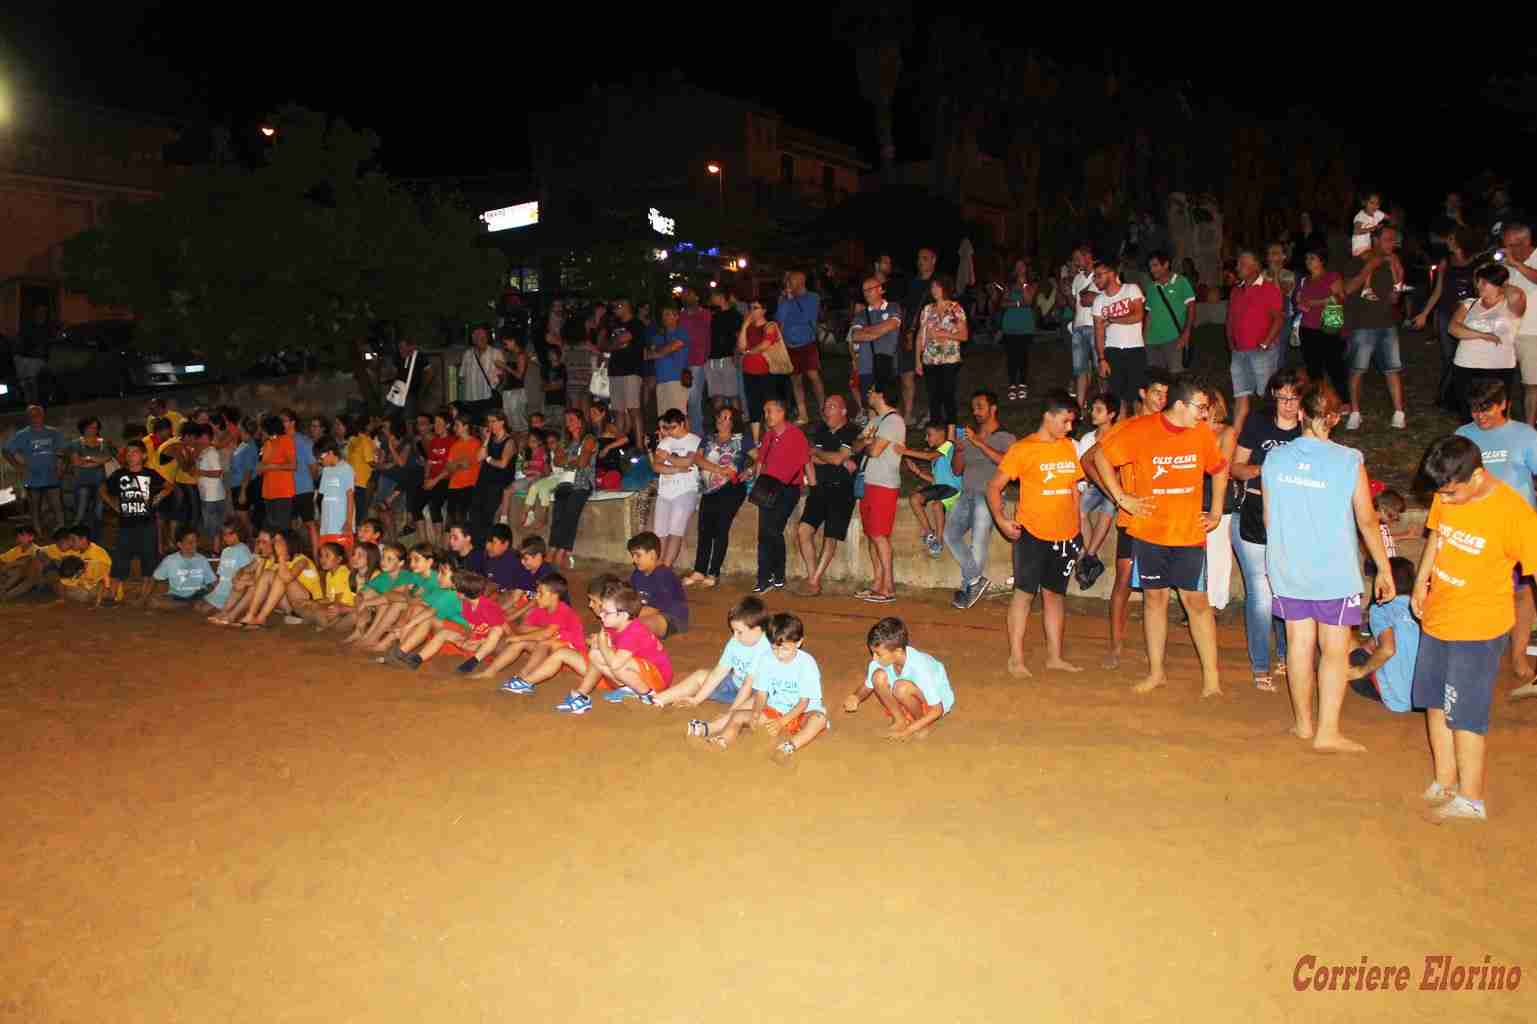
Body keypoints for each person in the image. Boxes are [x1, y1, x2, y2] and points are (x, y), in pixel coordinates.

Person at [1262, 383, 1394, 753]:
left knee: (1298, 644)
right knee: (1334, 650)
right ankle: (1327, 731)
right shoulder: (1349, 459)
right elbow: (1367, 520)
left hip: (1289, 566)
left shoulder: (1275, 459)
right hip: (1334, 569)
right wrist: (1383, 568)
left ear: (1301, 413)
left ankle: (1304, 724)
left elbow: (1271, 518)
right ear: (1334, 418)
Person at [1411, 435, 1537, 822]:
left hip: (1479, 626)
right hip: (1438, 615)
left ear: (1478, 476)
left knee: (1464, 714)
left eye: (1450, 493)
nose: (1443, 500)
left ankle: (1471, 798)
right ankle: (1446, 780)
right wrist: (1421, 579)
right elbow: (1437, 534)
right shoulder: (1448, 489)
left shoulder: (1514, 513)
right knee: (1434, 701)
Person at [1089, 374, 1230, 697]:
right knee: (1155, 600)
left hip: (1188, 533)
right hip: (1150, 532)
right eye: (1201, 407)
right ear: (1180, 405)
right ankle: (1156, 673)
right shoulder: (1141, 430)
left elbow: (1220, 469)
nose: (1206, 414)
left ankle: (1212, 680)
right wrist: (1121, 498)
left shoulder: (1200, 434)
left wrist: (1217, 511)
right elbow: (1099, 457)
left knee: (1197, 603)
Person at [987, 389, 1086, 677]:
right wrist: (1002, 519)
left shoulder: (1069, 447)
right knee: (1024, 594)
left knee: (1055, 595)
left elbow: (1073, 489)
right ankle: (1015, 659)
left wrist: (1078, 530)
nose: (1070, 428)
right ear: (1048, 416)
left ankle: (1055, 657)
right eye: (1066, 421)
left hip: (1065, 535)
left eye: (1072, 423)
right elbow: (993, 486)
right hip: (1032, 533)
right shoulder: (1023, 449)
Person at [1081, 369, 1172, 665]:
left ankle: (1156, 648)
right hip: (1134, 517)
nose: (1163, 398)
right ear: (1143, 393)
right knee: (1123, 578)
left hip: (1165, 515)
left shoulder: (1172, 427)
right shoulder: (1127, 426)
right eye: (1157, 392)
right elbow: (1088, 459)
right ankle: (1116, 646)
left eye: (1166, 394)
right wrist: (1116, 495)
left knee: (1161, 585)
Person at [1455, 379, 1537, 691]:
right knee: (1479, 595)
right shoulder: (1463, 436)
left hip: (1518, 529)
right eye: (1475, 409)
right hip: (1476, 531)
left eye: (1487, 408)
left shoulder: (1524, 436)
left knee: (1523, 593)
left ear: (1503, 404)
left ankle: (1517, 655)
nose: (1480, 416)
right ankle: (1478, 658)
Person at [1229, 368, 1304, 691]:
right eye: (1281, 397)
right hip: (1254, 511)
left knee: (1287, 589)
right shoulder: (1258, 422)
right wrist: (1265, 468)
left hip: (1294, 515)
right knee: (1260, 593)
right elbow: (1235, 466)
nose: (1287, 404)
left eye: (1293, 398)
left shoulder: (1308, 428)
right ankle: (1261, 663)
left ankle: (1287, 653)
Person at [685, 612, 825, 760]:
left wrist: (782, 722)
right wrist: (756, 713)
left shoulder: (807, 664)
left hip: (802, 713)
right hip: (775, 711)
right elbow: (761, 694)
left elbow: (804, 703)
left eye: (784, 649)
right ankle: (721, 741)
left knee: (819, 719)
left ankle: (788, 747)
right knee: (738, 715)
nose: (779, 654)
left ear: (798, 643)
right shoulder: (766, 659)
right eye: (774, 648)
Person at [552, 582, 673, 714]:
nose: (601, 615)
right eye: (602, 609)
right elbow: (598, 654)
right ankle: (582, 695)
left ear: (624, 615)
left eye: (607, 612)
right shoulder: (613, 625)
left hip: (659, 679)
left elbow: (615, 664)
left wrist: (602, 643)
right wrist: (599, 644)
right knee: (596, 654)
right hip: (639, 672)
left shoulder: (634, 631)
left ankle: (647, 695)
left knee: (611, 658)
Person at [945, 390, 1016, 609]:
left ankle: (969, 587)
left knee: (978, 542)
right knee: (950, 534)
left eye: (980, 407)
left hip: (989, 496)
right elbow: (957, 471)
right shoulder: (969, 438)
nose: (975, 412)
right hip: (966, 494)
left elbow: (1009, 464)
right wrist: (958, 450)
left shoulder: (1006, 437)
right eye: (973, 407)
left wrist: (979, 443)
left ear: (993, 409)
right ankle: (975, 579)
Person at [843, 616, 956, 740]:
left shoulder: (920, 666)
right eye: (873, 653)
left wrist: (908, 731)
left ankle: (920, 724)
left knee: (901, 688)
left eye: (878, 654)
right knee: (878, 676)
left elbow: (937, 710)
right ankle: (899, 720)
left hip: (935, 704)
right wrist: (856, 697)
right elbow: (867, 686)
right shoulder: (879, 661)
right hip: (909, 698)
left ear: (897, 652)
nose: (874, 658)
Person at [1341, 226, 1408, 430]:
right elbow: (1348, 289)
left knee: (1392, 368)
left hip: (1387, 323)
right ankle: (1355, 412)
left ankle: (1399, 412)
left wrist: (1397, 289)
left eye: (1393, 240)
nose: (1392, 244)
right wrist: (1369, 267)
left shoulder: (1393, 261)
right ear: (1375, 240)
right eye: (1387, 239)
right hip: (1362, 325)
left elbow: (1397, 293)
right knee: (1357, 370)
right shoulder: (1357, 260)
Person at [651, 596, 769, 708]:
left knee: (760, 700)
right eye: (733, 631)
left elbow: (748, 685)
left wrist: (732, 713)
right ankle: (657, 699)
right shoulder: (735, 641)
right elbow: (720, 671)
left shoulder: (766, 647)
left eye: (739, 632)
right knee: (700, 675)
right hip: (735, 686)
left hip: (754, 693)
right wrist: (696, 700)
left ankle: (736, 712)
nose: (735, 636)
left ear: (757, 630)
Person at [795, 395, 859, 596]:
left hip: (842, 490)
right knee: (803, 531)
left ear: (843, 411)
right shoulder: (821, 430)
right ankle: (813, 577)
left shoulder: (853, 431)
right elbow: (814, 458)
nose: (826, 410)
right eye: (825, 407)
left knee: (830, 536)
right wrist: (833, 459)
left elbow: (836, 457)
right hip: (819, 489)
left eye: (832, 406)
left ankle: (814, 581)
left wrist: (826, 455)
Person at [746, 398, 809, 594]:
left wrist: (810, 483)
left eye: (770, 411)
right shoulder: (769, 435)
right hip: (768, 486)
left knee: (772, 530)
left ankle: (776, 575)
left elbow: (803, 461)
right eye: (765, 412)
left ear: (781, 413)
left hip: (788, 488)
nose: (767, 416)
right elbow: (761, 460)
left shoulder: (796, 434)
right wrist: (754, 477)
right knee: (765, 532)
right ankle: (765, 577)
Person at [1414, 225, 1480, 411]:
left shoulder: (1475, 262)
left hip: (1468, 316)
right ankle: (1446, 398)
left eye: (1451, 239)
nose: (1448, 242)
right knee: (1449, 357)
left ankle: (1462, 397)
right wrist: (1425, 313)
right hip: (1445, 314)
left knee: (1466, 357)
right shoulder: (1446, 261)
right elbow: (1438, 291)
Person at [685, 405, 752, 589]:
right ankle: (699, 570)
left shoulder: (741, 440)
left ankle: (713, 572)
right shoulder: (707, 439)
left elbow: (760, 457)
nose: (722, 420)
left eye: (727, 418)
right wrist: (718, 469)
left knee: (721, 529)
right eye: (720, 417)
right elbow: (697, 459)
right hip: (709, 489)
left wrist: (750, 470)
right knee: (704, 529)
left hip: (731, 488)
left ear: (733, 422)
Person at [1449, 262, 1526, 419]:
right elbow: (1453, 329)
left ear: (1499, 284)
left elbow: (1517, 294)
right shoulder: (1469, 304)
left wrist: (1503, 283)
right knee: (1468, 413)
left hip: (1499, 367)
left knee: (1497, 414)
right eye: (1478, 281)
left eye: (1484, 282)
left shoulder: (1510, 305)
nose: (1478, 285)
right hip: (1466, 365)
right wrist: (1484, 335)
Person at [851, 382, 904, 603]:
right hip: (869, 482)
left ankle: (888, 587)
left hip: (884, 483)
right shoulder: (875, 420)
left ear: (881, 394)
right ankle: (878, 584)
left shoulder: (894, 421)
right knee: (872, 534)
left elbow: (874, 450)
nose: (868, 394)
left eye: (872, 391)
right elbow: (855, 446)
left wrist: (868, 442)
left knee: (879, 535)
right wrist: (867, 441)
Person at [1346, 557, 1421, 711]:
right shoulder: (1421, 606)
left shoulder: (1381, 609)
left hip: (1398, 699)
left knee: (1342, 637)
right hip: (1425, 701)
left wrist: (1360, 671)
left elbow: (1387, 649)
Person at [1225, 250, 1284, 432]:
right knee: (1240, 394)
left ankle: (1273, 433)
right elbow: (1230, 318)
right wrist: (1230, 341)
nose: (1238, 267)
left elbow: (1278, 319)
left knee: (1267, 395)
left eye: (1243, 264)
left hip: (1261, 351)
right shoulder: (1236, 290)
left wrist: (1265, 343)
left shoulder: (1269, 289)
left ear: (1256, 267)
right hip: (1239, 351)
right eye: (1238, 263)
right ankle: (1236, 434)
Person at [1073, 391, 1120, 590]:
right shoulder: (1087, 438)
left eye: (1099, 410)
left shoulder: (1119, 435)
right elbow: (1083, 469)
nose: (1093, 413)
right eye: (1093, 409)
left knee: (1108, 509)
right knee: (1079, 510)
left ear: (1111, 415)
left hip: (1114, 488)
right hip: (1094, 485)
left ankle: (1088, 557)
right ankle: (1091, 558)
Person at [1090, 260, 1147, 420]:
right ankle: (1120, 434)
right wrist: (1101, 358)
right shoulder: (1099, 301)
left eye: (1099, 276)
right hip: (1112, 351)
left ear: (1112, 274)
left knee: (1138, 396)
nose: (1096, 280)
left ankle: (1140, 433)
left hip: (1135, 349)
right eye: (1094, 276)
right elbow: (1098, 332)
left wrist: (1113, 319)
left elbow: (1138, 315)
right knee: (1118, 397)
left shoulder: (1131, 289)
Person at [1294, 249, 1350, 406]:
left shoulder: (1332, 277)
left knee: (1335, 367)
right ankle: (1317, 402)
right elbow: (1299, 303)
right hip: (1308, 328)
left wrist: (1315, 303)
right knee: (1313, 369)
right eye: (1307, 258)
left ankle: (1344, 401)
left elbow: (1340, 298)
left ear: (1322, 260)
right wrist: (1301, 304)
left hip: (1329, 327)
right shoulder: (1304, 281)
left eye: (1312, 258)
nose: (1308, 261)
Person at [915, 274, 969, 435]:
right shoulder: (927, 309)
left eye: (937, 287)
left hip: (949, 359)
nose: (934, 290)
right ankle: (936, 434)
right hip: (930, 359)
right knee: (933, 397)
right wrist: (917, 360)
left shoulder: (955, 308)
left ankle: (951, 434)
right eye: (932, 287)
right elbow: (920, 336)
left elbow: (964, 335)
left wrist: (943, 335)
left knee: (948, 394)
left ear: (945, 288)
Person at [650, 408, 702, 568]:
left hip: (685, 491)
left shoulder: (695, 440)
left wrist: (668, 457)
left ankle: (666, 566)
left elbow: (688, 462)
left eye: (673, 427)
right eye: (667, 428)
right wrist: (677, 469)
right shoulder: (665, 442)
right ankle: (657, 565)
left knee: (675, 531)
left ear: (682, 423)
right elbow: (656, 467)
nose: (670, 431)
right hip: (665, 492)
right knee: (659, 533)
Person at [900, 423, 960, 557]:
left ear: (941, 434)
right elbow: (935, 481)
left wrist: (904, 451)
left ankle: (938, 542)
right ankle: (929, 533)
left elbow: (928, 456)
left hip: (953, 488)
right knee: (915, 498)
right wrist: (918, 472)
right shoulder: (937, 458)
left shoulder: (949, 446)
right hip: (940, 488)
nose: (926, 439)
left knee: (937, 505)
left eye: (929, 435)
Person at [4, 405, 66, 535]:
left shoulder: (53, 432)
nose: (36, 417)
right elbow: (6, 451)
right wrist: (18, 466)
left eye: (38, 414)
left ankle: (62, 530)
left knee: (57, 505)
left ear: (43, 415)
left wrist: (61, 466)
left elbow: (61, 451)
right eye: (32, 415)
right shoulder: (22, 435)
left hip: (52, 475)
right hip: (32, 477)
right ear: (28, 417)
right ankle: (38, 533)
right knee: (34, 507)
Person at [1498, 223, 1537, 426]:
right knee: (1503, 381)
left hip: (1532, 332)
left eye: (1513, 245)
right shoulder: (1507, 261)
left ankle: (1530, 429)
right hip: (1508, 331)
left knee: (1532, 385)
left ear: (1527, 241)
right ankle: (1505, 423)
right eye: (1506, 246)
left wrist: (1516, 265)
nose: (1508, 250)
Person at [548, 410, 597, 571]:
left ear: (581, 422)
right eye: (567, 420)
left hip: (582, 483)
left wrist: (568, 460)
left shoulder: (589, 439)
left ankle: (562, 550)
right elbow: (557, 460)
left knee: (570, 514)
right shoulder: (565, 442)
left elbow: (583, 463)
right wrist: (572, 459)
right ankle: (553, 548)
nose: (568, 423)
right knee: (557, 515)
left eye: (571, 419)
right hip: (566, 483)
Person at [738, 299, 790, 441]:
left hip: (767, 372)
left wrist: (748, 352)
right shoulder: (748, 327)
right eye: (750, 307)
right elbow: (740, 346)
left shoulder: (770, 326)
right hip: (749, 371)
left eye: (755, 307)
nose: (751, 310)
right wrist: (744, 325)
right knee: (753, 405)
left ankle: (773, 439)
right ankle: (756, 441)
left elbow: (765, 345)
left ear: (764, 310)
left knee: (770, 405)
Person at [776, 271, 823, 424]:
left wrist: (790, 303)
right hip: (790, 346)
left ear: (800, 282)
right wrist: (786, 301)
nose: (789, 285)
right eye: (788, 282)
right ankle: (803, 414)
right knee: (795, 380)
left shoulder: (813, 298)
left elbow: (807, 318)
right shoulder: (785, 300)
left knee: (813, 377)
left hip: (807, 344)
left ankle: (824, 409)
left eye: (791, 281)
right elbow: (780, 319)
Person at [627, 531, 688, 642]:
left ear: (652, 555)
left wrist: (626, 615)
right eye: (633, 555)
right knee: (624, 621)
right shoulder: (636, 574)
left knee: (637, 624)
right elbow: (631, 598)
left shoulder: (664, 575)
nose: (634, 560)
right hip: (646, 612)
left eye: (638, 555)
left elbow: (654, 609)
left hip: (672, 618)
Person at [602, 300, 646, 450]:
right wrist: (616, 344)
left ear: (627, 306)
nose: (615, 309)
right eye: (614, 306)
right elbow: (604, 345)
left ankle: (640, 446)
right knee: (618, 410)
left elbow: (622, 339)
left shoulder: (636, 324)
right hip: (615, 371)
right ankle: (618, 446)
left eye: (618, 306)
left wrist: (614, 343)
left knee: (634, 408)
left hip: (631, 371)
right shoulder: (614, 326)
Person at [468, 410, 516, 543]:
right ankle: (476, 547)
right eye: (489, 422)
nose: (490, 424)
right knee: (474, 514)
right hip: (483, 481)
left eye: (493, 421)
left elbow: (503, 464)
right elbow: (478, 458)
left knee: (487, 517)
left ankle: (485, 547)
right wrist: (486, 439)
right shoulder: (490, 439)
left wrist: (488, 459)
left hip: (498, 483)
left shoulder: (509, 441)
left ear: (502, 422)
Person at [1144, 251, 1196, 375]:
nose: (1152, 270)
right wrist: (1144, 338)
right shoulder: (1151, 287)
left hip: (1174, 339)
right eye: (1150, 267)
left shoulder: (1181, 282)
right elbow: (1149, 314)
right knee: (1156, 380)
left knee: (1176, 377)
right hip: (1152, 341)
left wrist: (1186, 333)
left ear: (1166, 264)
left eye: (1155, 265)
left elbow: (1191, 307)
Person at [850, 276, 903, 397]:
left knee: (890, 403)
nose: (866, 293)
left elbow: (892, 324)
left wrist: (867, 331)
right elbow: (856, 335)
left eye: (870, 289)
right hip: (866, 367)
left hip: (888, 364)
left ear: (881, 290)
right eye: (864, 290)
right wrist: (881, 329)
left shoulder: (893, 307)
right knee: (871, 404)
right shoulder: (861, 314)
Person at [142, 526, 217, 611]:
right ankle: (188, 605)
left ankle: (187, 605)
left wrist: (222, 595)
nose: (194, 545)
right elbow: (155, 578)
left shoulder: (202, 559)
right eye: (189, 542)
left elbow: (213, 582)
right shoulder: (170, 560)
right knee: (155, 602)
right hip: (176, 596)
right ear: (179, 544)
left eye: (195, 541)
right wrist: (144, 597)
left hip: (199, 594)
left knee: (207, 600)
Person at [1000, 259, 1038, 402]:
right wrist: (1017, 303)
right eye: (1017, 266)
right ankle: (1011, 385)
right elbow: (1003, 304)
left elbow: (1028, 301)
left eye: (1022, 266)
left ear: (1026, 269)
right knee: (1011, 357)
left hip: (1025, 325)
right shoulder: (1008, 286)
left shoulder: (1032, 284)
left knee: (1023, 356)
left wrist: (1023, 285)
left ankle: (1022, 384)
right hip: (1010, 325)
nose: (1020, 269)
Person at [283, 410, 319, 555]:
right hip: (286, 490)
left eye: (285, 420)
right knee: (289, 525)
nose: (282, 424)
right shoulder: (280, 441)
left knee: (309, 523)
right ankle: (292, 555)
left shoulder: (304, 441)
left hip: (303, 488)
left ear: (293, 422)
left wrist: (313, 485)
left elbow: (314, 467)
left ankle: (317, 557)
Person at [1067, 246, 1099, 410]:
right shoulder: (1077, 278)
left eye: (1077, 257)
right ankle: (1080, 407)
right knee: (1080, 369)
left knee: (1099, 368)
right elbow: (1077, 305)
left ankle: (1104, 403)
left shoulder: (1102, 274)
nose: (1075, 261)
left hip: (1096, 326)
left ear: (1088, 256)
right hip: (1079, 327)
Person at [68, 416, 112, 530]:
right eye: (90, 428)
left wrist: (88, 458)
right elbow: (76, 462)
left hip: (100, 481)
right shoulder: (75, 443)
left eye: (95, 428)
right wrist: (97, 460)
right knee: (81, 511)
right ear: (83, 428)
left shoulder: (103, 443)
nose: (93, 430)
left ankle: (96, 535)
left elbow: (107, 458)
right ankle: (75, 532)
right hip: (82, 481)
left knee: (99, 511)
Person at [313, 438, 356, 550]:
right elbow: (323, 498)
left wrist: (348, 522)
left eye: (320, 458)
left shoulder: (346, 469)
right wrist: (320, 519)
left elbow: (350, 497)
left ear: (331, 453)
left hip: (341, 525)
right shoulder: (326, 471)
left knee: (344, 557)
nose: (319, 461)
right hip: (326, 526)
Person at [704, 288, 743, 413]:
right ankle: (720, 426)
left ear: (721, 296)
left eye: (713, 296)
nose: (711, 300)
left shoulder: (735, 315)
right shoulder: (713, 315)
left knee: (733, 395)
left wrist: (736, 355)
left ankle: (737, 428)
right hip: (712, 360)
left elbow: (739, 337)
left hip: (728, 358)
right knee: (717, 396)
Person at [648, 306, 690, 418]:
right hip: (661, 381)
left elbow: (673, 346)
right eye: (663, 315)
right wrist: (663, 350)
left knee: (679, 417)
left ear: (676, 316)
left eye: (668, 314)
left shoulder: (681, 332)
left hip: (677, 380)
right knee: (663, 418)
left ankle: (685, 436)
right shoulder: (658, 336)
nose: (664, 317)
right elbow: (649, 354)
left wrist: (660, 351)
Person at [204, 523, 254, 616]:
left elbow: (249, 572)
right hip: (220, 591)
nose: (226, 537)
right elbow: (221, 576)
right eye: (224, 534)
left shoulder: (243, 550)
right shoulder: (225, 551)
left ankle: (231, 608)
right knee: (198, 606)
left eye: (230, 534)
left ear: (238, 534)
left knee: (204, 609)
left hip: (231, 593)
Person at [442, 415, 482, 529]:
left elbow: (466, 464)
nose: (454, 428)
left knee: (463, 521)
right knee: (450, 522)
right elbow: (448, 467)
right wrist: (458, 463)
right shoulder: (454, 445)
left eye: (457, 425)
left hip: (469, 485)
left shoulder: (476, 443)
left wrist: (456, 463)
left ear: (466, 427)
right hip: (453, 485)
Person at [458, 324, 502, 419]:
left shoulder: (496, 353)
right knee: (474, 424)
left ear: (487, 338)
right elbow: (462, 377)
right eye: (477, 337)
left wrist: (495, 387)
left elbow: (502, 376)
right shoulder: (467, 354)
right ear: (473, 340)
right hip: (471, 397)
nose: (481, 339)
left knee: (487, 425)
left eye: (483, 337)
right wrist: (461, 398)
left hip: (488, 398)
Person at [1350, 191, 1388, 257]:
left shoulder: (1377, 213)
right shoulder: (1360, 216)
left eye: (1377, 204)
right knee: (1377, 258)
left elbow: (1390, 218)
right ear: (1364, 202)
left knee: (1389, 257)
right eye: (1371, 203)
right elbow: (1356, 231)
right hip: (1359, 249)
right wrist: (1373, 228)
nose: (1374, 206)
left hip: (1370, 247)